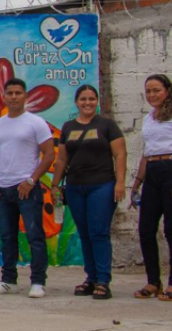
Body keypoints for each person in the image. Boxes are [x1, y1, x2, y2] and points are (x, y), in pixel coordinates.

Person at [50, 85, 126, 300]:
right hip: (75, 187)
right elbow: (62, 159)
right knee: (84, 234)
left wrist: (120, 183)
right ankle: (90, 278)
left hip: (102, 185)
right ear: (76, 102)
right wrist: (55, 186)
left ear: (97, 101)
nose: (87, 102)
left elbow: (120, 155)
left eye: (92, 99)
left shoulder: (107, 125)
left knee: (99, 233)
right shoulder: (68, 127)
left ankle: (103, 280)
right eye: (83, 99)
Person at [0, 78, 56, 299]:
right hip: (3, 189)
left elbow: (50, 153)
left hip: (27, 188)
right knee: (7, 236)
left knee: (35, 235)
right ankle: (8, 280)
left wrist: (32, 180)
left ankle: (38, 282)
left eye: (18, 92)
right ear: (4, 96)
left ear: (25, 96)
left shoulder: (35, 122)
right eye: (10, 93)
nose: (14, 96)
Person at [132, 73, 172, 302]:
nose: (152, 95)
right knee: (146, 228)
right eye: (148, 91)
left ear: (167, 90)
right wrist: (138, 182)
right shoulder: (149, 117)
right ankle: (153, 281)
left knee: (171, 229)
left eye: (156, 90)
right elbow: (147, 151)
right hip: (153, 172)